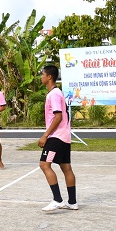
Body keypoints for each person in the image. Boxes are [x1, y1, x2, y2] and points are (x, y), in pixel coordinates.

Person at [38, 64, 78, 212]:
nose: (41, 77)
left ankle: (57, 200)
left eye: (42, 74)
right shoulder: (57, 93)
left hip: (57, 137)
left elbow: (58, 116)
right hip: (64, 136)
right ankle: (72, 202)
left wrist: (45, 135)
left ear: (49, 77)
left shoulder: (54, 94)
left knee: (44, 164)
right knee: (66, 168)